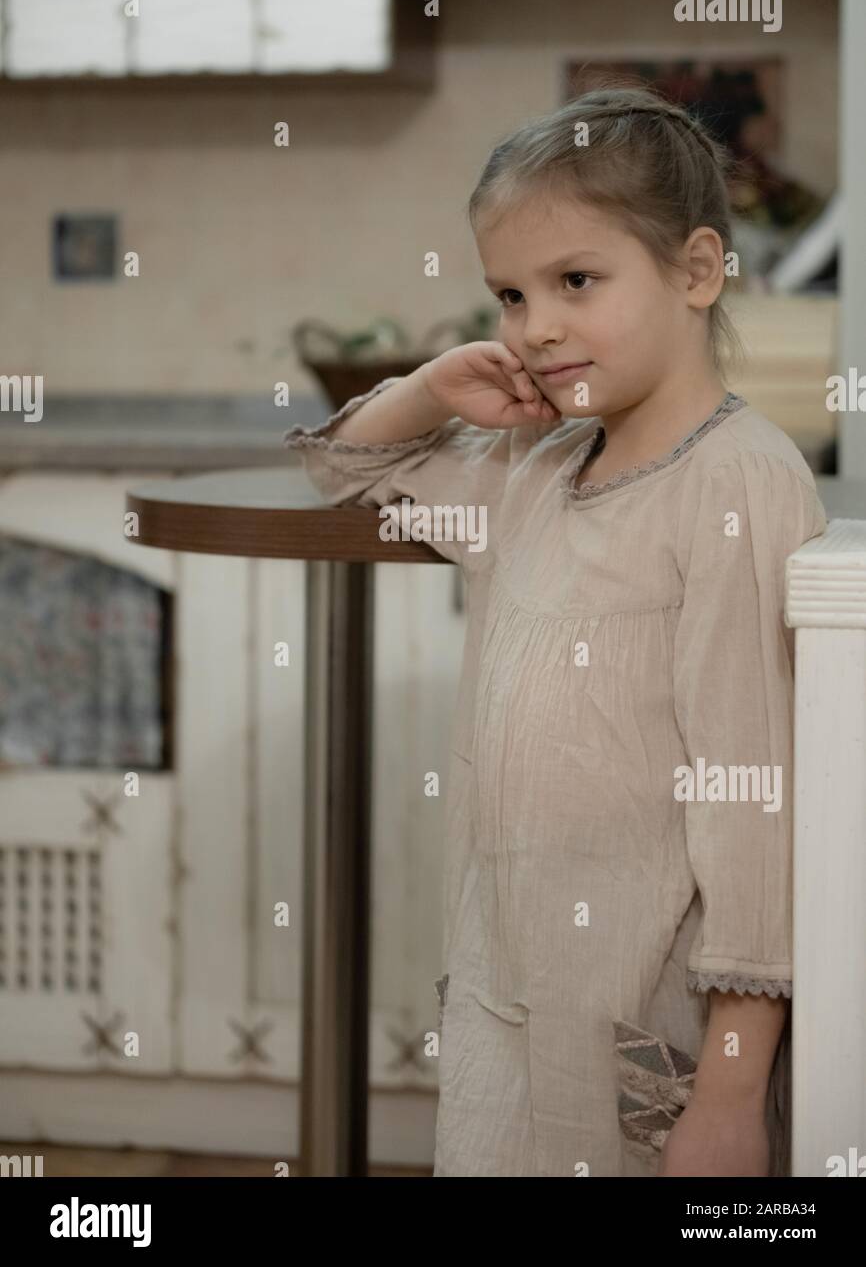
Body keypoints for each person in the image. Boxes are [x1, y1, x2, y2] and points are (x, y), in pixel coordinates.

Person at [284, 85, 827, 1177]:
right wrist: (433, 386)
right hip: (506, 1006)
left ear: (695, 271)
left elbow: (756, 815)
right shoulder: (528, 472)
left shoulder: (738, 485)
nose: (533, 327)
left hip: (656, 1042)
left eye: (574, 281)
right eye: (507, 294)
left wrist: (727, 1093)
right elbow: (343, 471)